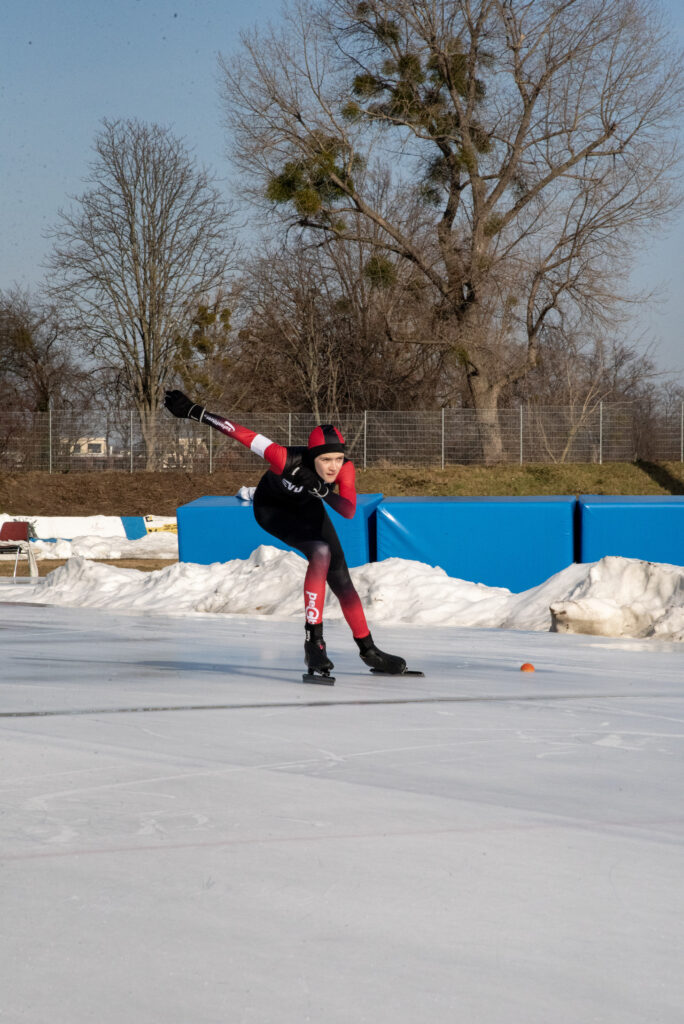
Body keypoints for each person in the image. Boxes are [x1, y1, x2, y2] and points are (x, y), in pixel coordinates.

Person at [164, 390, 407, 678]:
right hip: (272, 510)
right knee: (321, 552)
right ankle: (314, 643)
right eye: (326, 459)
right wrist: (195, 411)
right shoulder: (284, 457)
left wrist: (321, 491)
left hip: (308, 509)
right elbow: (241, 434)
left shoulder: (345, 469)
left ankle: (369, 649)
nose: (333, 466)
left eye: (338, 458)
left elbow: (348, 510)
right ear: (313, 457)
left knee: (342, 579)